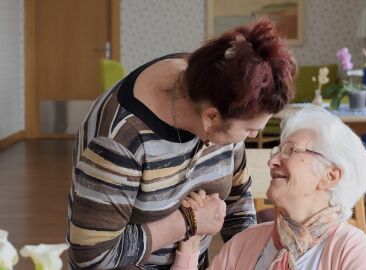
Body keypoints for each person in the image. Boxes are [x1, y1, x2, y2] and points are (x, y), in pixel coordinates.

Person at [66, 19, 297, 269]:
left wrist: (252, 261)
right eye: (250, 130)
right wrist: (188, 222)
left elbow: (237, 202)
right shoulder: (120, 139)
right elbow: (91, 257)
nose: (252, 136)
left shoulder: (227, 91)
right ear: (211, 117)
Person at [173, 105, 366, 270]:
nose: (272, 162)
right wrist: (190, 246)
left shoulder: (352, 251)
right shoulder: (245, 242)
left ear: (330, 175)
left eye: (291, 151)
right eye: (277, 151)